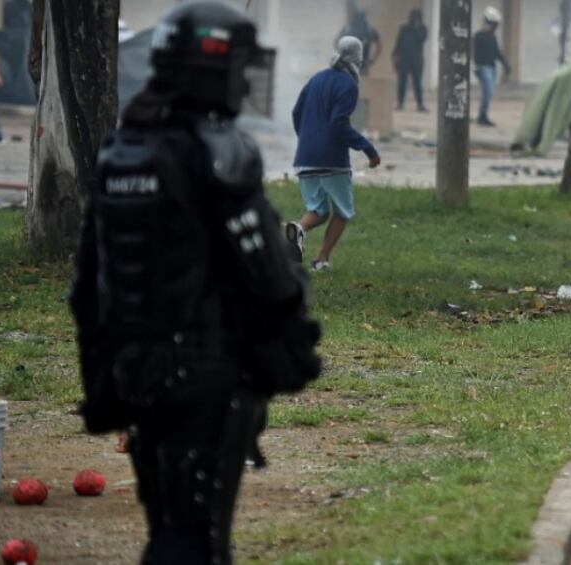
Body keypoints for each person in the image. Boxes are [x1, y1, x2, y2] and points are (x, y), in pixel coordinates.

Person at [69, 3, 322, 563]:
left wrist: (103, 378)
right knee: (196, 542)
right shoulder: (216, 151)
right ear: (216, 70)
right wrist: (292, 341)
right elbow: (270, 278)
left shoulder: (121, 151)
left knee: (169, 527)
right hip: (203, 377)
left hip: (137, 371)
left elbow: (88, 286)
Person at [287, 36, 382, 272]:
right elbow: (338, 124)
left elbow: (296, 111)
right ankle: (321, 260)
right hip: (332, 160)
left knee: (318, 211)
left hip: (305, 157)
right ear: (357, 58)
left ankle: (297, 229)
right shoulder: (348, 85)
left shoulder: (316, 79)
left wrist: (307, 140)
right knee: (343, 210)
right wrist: (368, 148)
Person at [474, 6, 511, 127]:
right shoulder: (478, 36)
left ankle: (483, 115)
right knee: (488, 91)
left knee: (489, 92)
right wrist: (477, 66)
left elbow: (497, 52)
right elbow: (474, 54)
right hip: (483, 67)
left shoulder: (492, 37)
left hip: (491, 67)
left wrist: (505, 65)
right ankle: (482, 116)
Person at [392, 8, 428, 112]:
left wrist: (417, 27)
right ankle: (400, 103)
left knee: (417, 83)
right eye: (413, 17)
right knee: (402, 82)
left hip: (417, 60)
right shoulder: (404, 28)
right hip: (404, 59)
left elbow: (421, 39)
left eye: (417, 17)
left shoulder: (423, 29)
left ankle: (420, 105)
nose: (415, 19)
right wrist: (394, 55)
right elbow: (398, 42)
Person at [340, 3, 381, 72]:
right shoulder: (369, 30)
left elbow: (379, 46)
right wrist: (372, 60)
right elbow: (379, 46)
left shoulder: (349, 29)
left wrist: (372, 60)